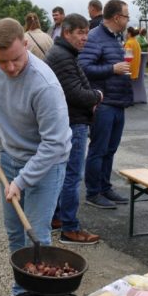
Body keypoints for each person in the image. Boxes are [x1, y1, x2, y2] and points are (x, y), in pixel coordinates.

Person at [0, 18, 71, 296]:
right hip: (10, 157)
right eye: (3, 61)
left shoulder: (45, 86)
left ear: (26, 44)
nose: (10, 68)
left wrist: (21, 181)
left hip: (47, 164)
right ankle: (22, 294)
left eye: (16, 59)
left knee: (36, 235)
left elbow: (54, 144)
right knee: (15, 233)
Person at [45, 14, 102, 245]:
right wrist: (97, 95)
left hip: (70, 119)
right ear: (66, 33)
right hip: (73, 121)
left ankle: (58, 217)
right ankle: (70, 228)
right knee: (72, 175)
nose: (85, 38)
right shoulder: (63, 57)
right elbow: (75, 94)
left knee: (64, 174)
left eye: (86, 32)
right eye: (80, 32)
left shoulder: (64, 54)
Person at [78, 0, 133, 209]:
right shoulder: (95, 37)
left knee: (110, 149)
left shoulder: (115, 37)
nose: (128, 19)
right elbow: (83, 67)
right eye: (126, 16)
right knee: (99, 149)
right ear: (117, 17)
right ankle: (93, 192)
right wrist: (112, 69)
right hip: (104, 102)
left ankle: (104, 186)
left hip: (118, 101)